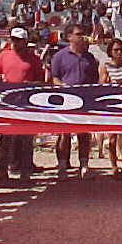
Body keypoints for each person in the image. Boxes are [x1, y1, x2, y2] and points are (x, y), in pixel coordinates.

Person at [0, 27, 45, 182]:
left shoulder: (34, 59)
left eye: (19, 40)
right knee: (5, 135)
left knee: (26, 137)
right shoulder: (4, 55)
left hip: (26, 102)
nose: (15, 43)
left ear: (25, 41)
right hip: (7, 101)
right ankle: (2, 169)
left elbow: (40, 81)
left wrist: (30, 85)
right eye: (13, 39)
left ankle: (25, 170)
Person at [51, 23, 99, 181]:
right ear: (69, 37)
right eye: (78, 34)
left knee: (84, 133)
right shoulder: (59, 56)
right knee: (64, 134)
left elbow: (94, 79)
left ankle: (84, 165)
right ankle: (62, 166)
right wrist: (63, 87)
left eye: (83, 34)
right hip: (66, 100)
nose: (82, 37)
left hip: (84, 100)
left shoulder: (89, 57)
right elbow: (55, 77)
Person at [99, 38, 122, 179]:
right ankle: (114, 166)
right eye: (116, 50)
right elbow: (102, 84)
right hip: (112, 103)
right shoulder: (106, 66)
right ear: (111, 51)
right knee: (112, 138)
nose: (119, 52)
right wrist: (112, 83)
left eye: (121, 50)